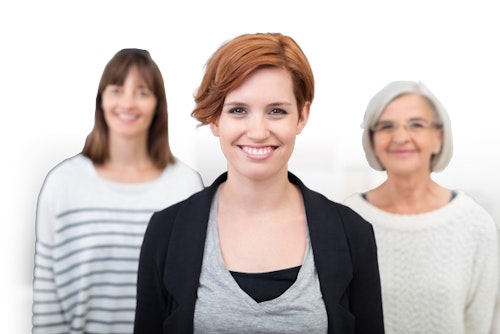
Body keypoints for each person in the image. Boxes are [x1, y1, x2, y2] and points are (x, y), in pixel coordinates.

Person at [133, 32, 385, 334]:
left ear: (302, 116)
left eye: (276, 111)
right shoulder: (166, 231)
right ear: (215, 119)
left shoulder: (352, 234)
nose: (258, 131)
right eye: (238, 110)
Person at [32, 48, 204, 334]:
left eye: (142, 92)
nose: (128, 102)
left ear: (158, 105)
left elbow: (193, 293)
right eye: (116, 89)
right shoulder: (62, 183)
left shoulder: (186, 186)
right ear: (100, 100)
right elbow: (48, 295)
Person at [343, 80, 499, 334]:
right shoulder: (346, 220)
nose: (401, 137)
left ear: (438, 138)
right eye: (386, 126)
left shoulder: (475, 223)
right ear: (371, 140)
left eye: (416, 124)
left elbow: (482, 326)